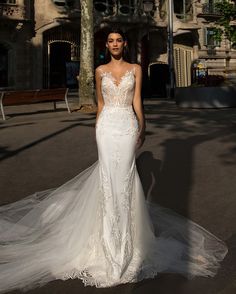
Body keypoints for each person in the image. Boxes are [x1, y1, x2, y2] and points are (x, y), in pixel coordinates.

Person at [0, 28, 228, 293]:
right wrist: (97, 129)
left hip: (128, 126)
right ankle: (107, 245)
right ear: (107, 45)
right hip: (106, 128)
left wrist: (142, 129)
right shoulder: (99, 71)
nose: (115, 44)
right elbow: (100, 103)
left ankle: (128, 241)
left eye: (119, 40)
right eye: (110, 41)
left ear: (124, 44)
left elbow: (137, 102)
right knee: (109, 181)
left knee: (125, 182)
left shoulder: (135, 68)